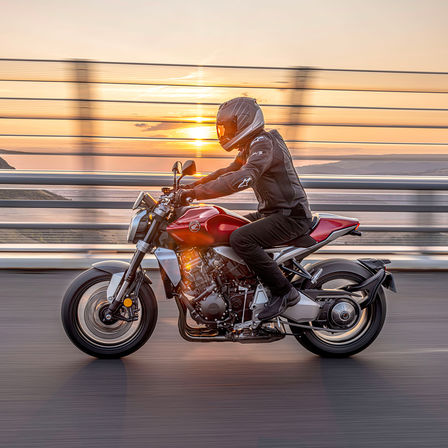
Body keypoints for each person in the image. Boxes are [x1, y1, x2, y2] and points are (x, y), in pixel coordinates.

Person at [177, 97, 313, 321]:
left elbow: (243, 176)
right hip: (273, 213)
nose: (225, 133)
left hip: (291, 217)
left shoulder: (263, 143)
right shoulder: (252, 144)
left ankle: (285, 293)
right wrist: (189, 187)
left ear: (245, 121)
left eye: (229, 126)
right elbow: (227, 172)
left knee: (241, 238)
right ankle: (243, 291)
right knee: (224, 228)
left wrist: (195, 194)